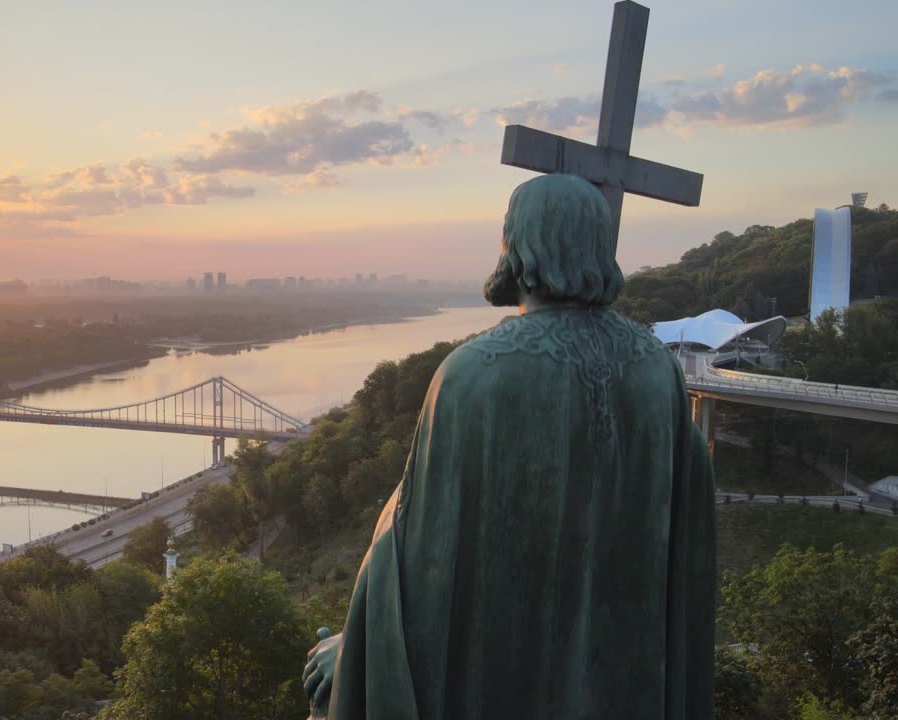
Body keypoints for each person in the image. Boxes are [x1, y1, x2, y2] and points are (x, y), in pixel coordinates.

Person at [303, 174, 715, 719]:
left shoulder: (473, 375)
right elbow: (689, 541)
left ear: (517, 245)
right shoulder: (658, 369)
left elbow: (420, 559)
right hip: (625, 688)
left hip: (498, 688)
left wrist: (357, 650)